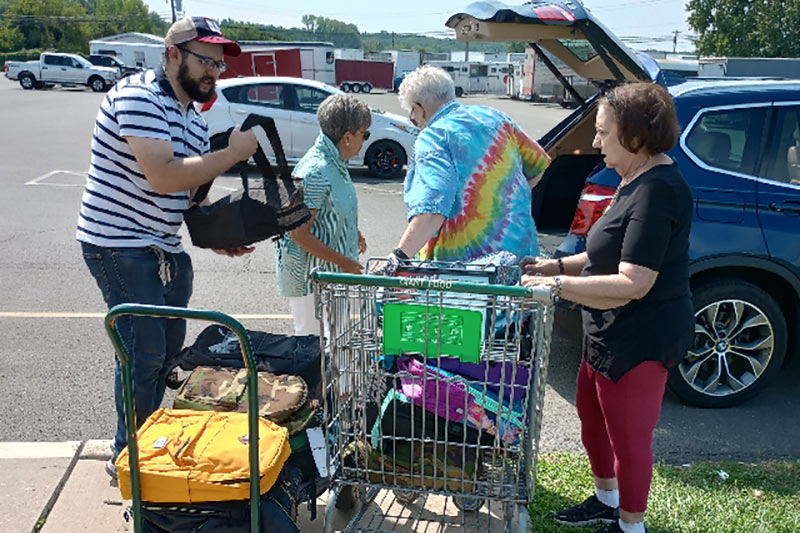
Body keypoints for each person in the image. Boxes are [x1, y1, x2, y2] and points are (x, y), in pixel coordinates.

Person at [76, 16, 258, 478]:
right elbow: (163, 176)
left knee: (169, 352)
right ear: (172, 53)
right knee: (145, 351)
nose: (214, 72)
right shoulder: (139, 96)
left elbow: (190, 196)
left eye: (219, 64)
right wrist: (233, 154)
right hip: (118, 244)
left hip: (163, 248)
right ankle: (129, 459)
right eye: (206, 60)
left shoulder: (194, 121)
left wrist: (222, 237)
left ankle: (145, 441)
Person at [521, 82, 693, 533]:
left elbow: (635, 282)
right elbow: (603, 254)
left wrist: (557, 286)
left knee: (630, 439)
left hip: (641, 337)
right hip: (605, 328)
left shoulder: (659, 191)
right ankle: (606, 500)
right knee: (593, 421)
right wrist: (553, 265)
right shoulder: (631, 179)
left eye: (603, 132)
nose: (595, 142)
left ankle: (630, 526)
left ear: (635, 136)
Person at [382, 65, 550, 266]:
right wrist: (502, 200)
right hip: (520, 253)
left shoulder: (434, 137)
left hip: (469, 267)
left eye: (413, 114)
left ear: (419, 108)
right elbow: (538, 163)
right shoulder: (495, 117)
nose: (415, 121)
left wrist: (399, 256)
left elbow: (433, 207)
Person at [276, 93, 369, 336]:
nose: (365, 140)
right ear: (347, 136)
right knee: (311, 342)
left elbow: (333, 206)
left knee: (339, 340)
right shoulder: (316, 171)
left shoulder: (335, 162)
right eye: (364, 134)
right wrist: (345, 262)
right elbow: (298, 233)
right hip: (311, 280)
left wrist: (353, 232)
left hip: (330, 275)